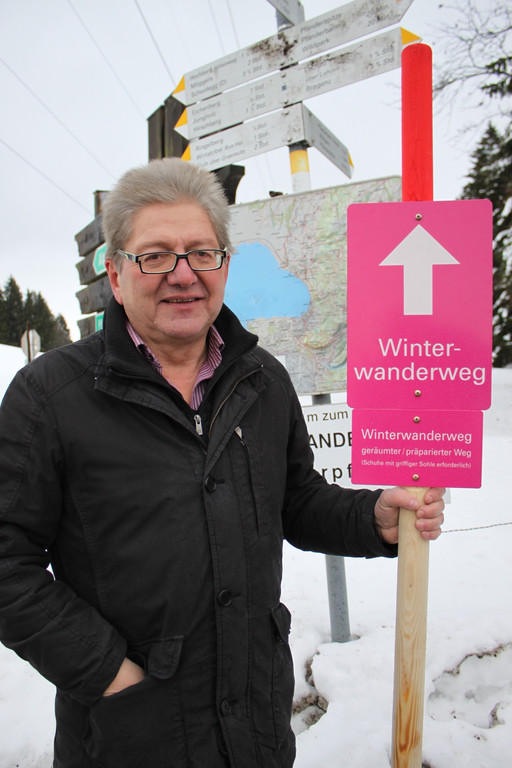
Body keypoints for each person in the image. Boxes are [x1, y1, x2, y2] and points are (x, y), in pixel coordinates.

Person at [0, 158, 444, 768]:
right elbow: (7, 561)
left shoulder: (262, 380)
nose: (183, 274)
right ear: (115, 273)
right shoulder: (50, 397)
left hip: (256, 729)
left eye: (201, 253)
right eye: (155, 255)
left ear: (225, 265)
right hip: (128, 739)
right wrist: (107, 672)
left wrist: (372, 518)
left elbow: (295, 499)